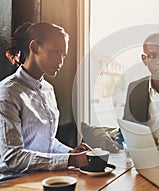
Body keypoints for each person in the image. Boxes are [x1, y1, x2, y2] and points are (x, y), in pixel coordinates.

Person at [0, 22, 89, 180]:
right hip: (13, 182)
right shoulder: (8, 91)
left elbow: (45, 142)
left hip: (44, 176)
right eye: (55, 52)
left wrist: (70, 153)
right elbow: (13, 157)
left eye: (63, 55)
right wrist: (69, 160)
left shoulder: (48, 90)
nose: (60, 62)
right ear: (34, 47)